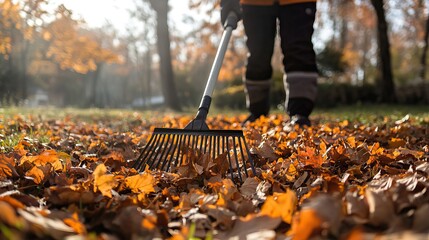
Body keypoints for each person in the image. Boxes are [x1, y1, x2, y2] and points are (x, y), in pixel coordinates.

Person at [220, 0, 318, 126]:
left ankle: (300, 113)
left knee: (298, 50)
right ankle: (257, 113)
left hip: (298, 2)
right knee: (257, 53)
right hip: (255, 3)